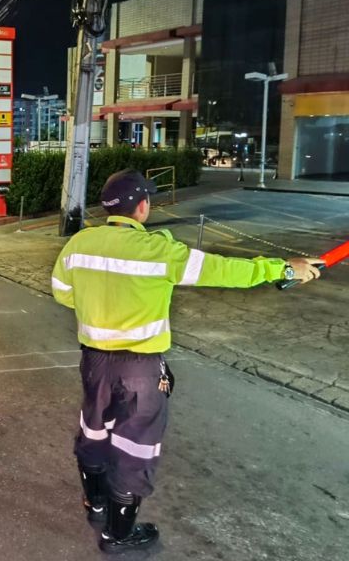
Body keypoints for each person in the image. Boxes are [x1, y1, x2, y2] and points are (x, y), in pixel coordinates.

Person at [51, 169, 322, 555]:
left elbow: (62, 293)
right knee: (134, 447)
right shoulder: (161, 251)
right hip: (141, 368)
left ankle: (94, 503)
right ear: (142, 207)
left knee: (94, 430)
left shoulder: (79, 244)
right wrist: (281, 268)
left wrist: (100, 305)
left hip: (94, 361)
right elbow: (226, 271)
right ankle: (117, 534)